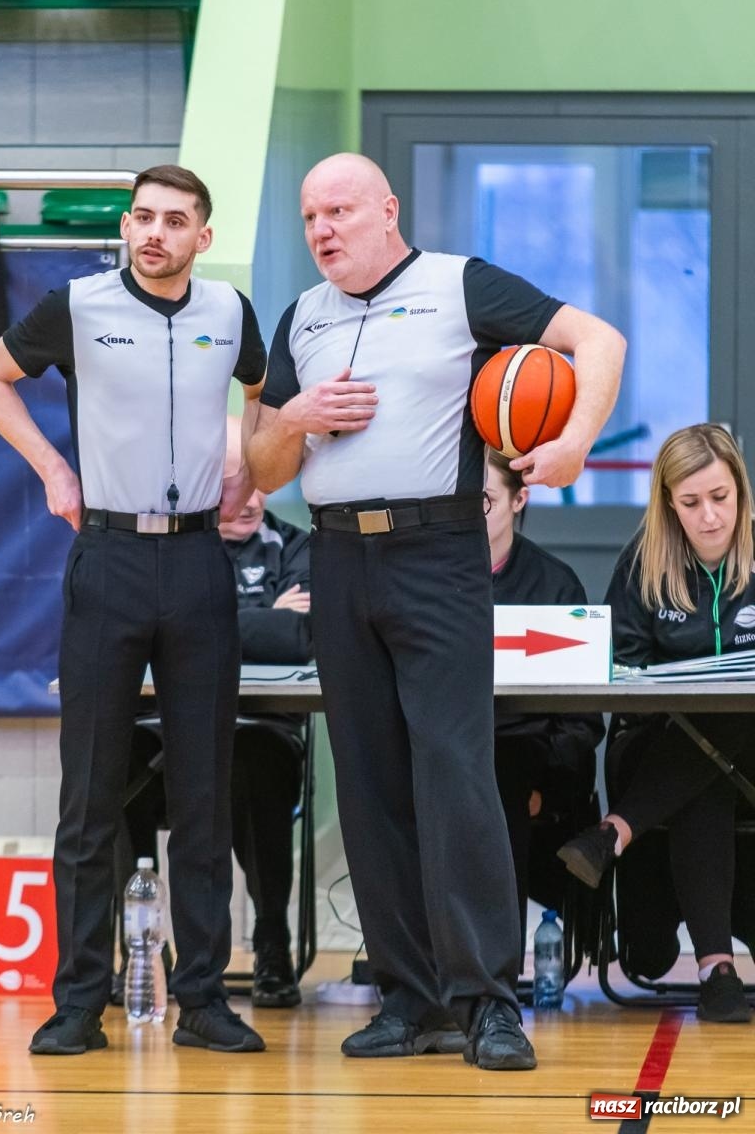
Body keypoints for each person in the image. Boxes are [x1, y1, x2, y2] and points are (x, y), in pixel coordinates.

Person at [247, 151, 626, 1070]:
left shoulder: (460, 286)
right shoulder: (302, 316)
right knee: (369, 784)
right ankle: (411, 1001)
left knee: (455, 773)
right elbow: (262, 469)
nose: (322, 229)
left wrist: (574, 443)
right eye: (308, 217)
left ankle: (487, 1000)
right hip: (336, 552)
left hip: (438, 554)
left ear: (387, 210)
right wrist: (295, 420)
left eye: (338, 210)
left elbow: (599, 341)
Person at [0, 165, 268, 1055]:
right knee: (89, 794)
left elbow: (262, 396)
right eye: (142, 217)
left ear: (201, 239)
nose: (155, 233)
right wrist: (54, 471)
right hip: (107, 559)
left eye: (175, 221)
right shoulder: (78, 305)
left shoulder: (231, 314)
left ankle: (204, 999)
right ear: (127, 226)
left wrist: (247, 465)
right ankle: (77, 1001)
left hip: (199, 561)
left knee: (204, 793)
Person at [112, 418, 312, 1009]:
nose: (250, 499)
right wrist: (259, 618)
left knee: (252, 765)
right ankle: (141, 952)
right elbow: (144, 635)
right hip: (161, 733)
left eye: (259, 483)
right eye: (234, 484)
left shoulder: (296, 545)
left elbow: (300, 636)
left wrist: (192, 625)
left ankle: (271, 945)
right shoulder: (166, 546)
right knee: (115, 770)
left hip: (258, 733)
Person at [558, 423, 755, 1023]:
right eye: (691, 503)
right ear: (669, 503)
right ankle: (716, 969)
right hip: (654, 745)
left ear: (741, 494)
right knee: (707, 758)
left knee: (731, 726)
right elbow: (622, 672)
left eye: (720, 498)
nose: (710, 517)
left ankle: (614, 833)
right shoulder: (643, 563)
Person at [486, 451, 604, 969]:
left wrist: (546, 788)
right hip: (450, 755)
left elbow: (582, 722)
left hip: (530, 766)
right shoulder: (430, 586)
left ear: (519, 499)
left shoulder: (557, 585)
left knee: (502, 768)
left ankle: (497, 974)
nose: (471, 517)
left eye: (484, 502)